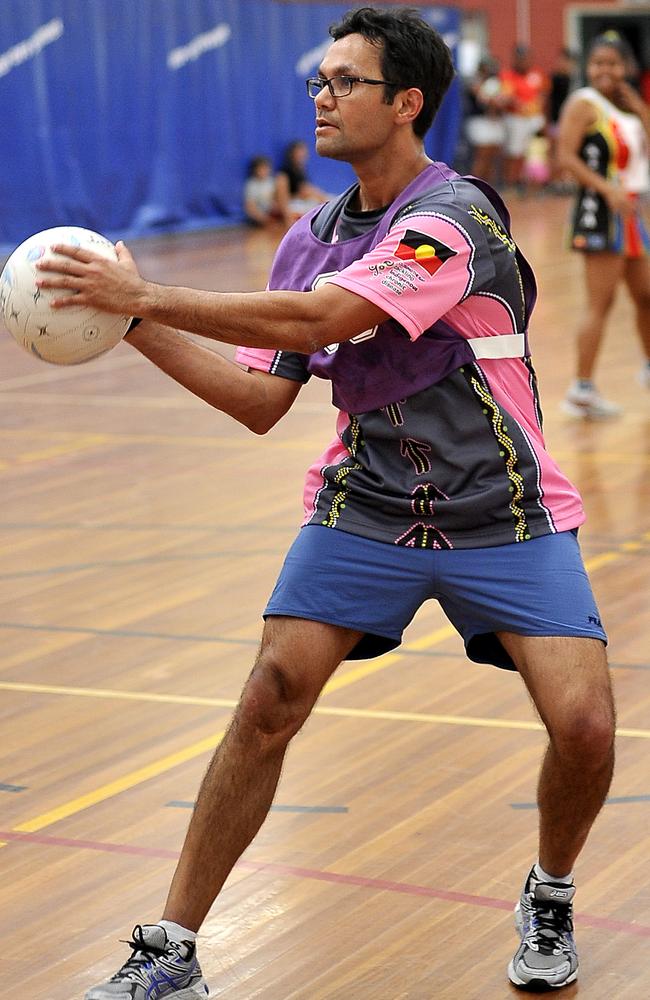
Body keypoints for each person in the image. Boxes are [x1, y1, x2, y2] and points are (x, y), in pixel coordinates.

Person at [36, 7, 615, 995]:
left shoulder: (455, 218)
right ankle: (172, 949)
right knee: (267, 697)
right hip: (367, 506)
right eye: (318, 79)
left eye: (345, 81)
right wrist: (128, 317)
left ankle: (548, 889)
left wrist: (150, 289)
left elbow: (328, 316)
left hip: (504, 511)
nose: (321, 95)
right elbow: (261, 398)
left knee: (585, 727)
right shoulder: (306, 238)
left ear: (405, 103)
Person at [557, 32, 650, 418]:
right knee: (601, 303)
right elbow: (566, 157)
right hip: (602, 213)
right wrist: (605, 190)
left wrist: (639, 106)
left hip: (630, 213)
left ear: (626, 67)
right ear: (588, 67)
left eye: (612, 63)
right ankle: (581, 388)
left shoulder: (624, 107)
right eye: (598, 63)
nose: (604, 70)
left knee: (646, 295)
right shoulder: (584, 103)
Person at [500, 45, 550, 190]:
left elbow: (544, 96)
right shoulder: (508, 75)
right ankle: (511, 184)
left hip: (535, 119)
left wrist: (543, 116)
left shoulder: (538, 74)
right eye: (520, 58)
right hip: (516, 119)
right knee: (515, 153)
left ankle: (534, 186)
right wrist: (518, 103)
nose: (524, 61)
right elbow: (506, 96)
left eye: (526, 58)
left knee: (537, 152)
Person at [464, 56, 507, 186]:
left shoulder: (495, 82)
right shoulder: (474, 82)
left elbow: (502, 100)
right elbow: (483, 98)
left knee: (493, 155)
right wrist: (494, 99)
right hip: (479, 121)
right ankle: (475, 186)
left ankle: (488, 186)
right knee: (482, 155)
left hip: (494, 121)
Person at [275, 138, 329, 223]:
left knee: (328, 200)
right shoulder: (284, 172)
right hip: (292, 205)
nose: (302, 155)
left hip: (303, 202)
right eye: (299, 152)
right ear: (292, 154)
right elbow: (282, 196)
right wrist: (288, 218)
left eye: (303, 152)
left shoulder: (301, 170)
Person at [242, 154, 281, 226]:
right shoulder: (252, 184)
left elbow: (277, 199)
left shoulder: (271, 181)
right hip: (260, 214)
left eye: (266, 168)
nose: (264, 171)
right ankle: (267, 221)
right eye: (261, 169)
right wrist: (263, 218)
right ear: (255, 170)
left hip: (272, 211)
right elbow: (250, 205)